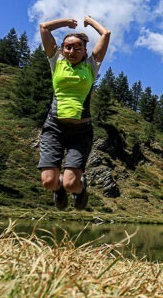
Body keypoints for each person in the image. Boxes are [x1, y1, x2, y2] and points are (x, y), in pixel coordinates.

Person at [38, 16, 111, 210]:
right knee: (48, 181)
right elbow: (44, 28)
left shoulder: (91, 66)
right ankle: (58, 188)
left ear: (85, 51)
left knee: (72, 183)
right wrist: (66, 23)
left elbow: (106, 34)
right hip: (54, 128)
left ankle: (79, 189)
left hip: (81, 131)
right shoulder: (56, 62)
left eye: (77, 47)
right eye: (68, 47)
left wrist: (89, 20)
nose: (72, 51)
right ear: (62, 49)